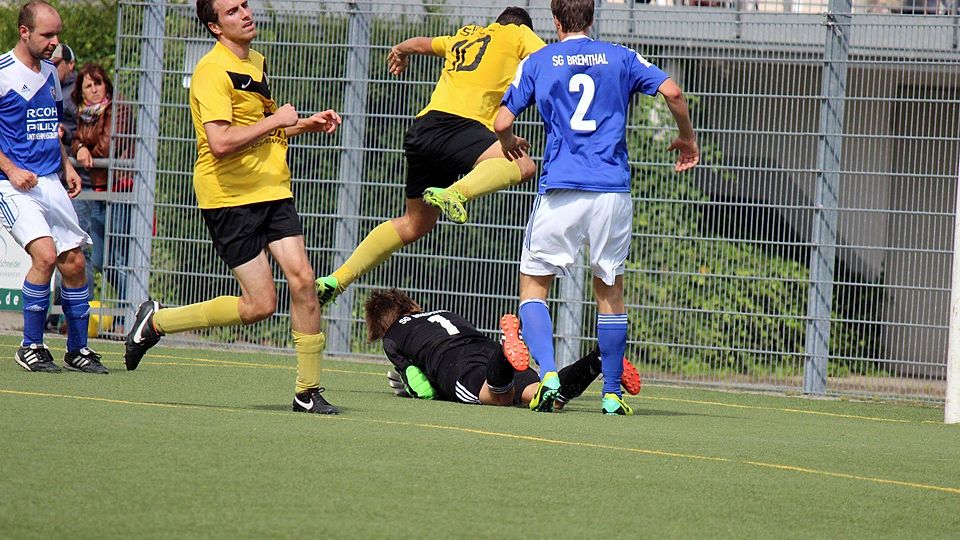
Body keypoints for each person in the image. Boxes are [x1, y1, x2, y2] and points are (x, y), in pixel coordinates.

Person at [123, 0, 343, 414]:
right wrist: (278, 122)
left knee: (304, 280)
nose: (245, 13)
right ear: (214, 27)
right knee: (260, 305)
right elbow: (222, 143)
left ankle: (307, 392)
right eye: (231, 11)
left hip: (273, 190)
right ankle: (157, 322)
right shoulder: (210, 71)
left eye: (245, 5)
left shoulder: (255, 62)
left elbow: (262, 127)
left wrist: (304, 123)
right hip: (229, 199)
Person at [495, 0, 699, 415]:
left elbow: (501, 122)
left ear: (555, 20)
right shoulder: (620, 56)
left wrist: (508, 144)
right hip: (611, 192)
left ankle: (549, 374)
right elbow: (673, 92)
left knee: (534, 286)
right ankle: (610, 394)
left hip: (562, 189)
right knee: (610, 291)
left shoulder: (539, 60)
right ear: (591, 18)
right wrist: (687, 138)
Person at [315, 7, 545, 306]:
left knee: (415, 224)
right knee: (523, 164)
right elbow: (551, 59)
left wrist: (399, 50)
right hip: (461, 126)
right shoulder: (517, 33)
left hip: (424, 129)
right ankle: (456, 194)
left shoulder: (466, 35)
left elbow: (422, 43)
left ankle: (337, 279)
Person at [0, 1, 106, 374]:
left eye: (58, 33)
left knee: (75, 263)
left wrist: (66, 166)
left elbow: (51, 128)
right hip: (13, 185)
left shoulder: (51, 75)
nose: (55, 42)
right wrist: (11, 170)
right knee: (45, 256)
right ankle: (30, 345)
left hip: (50, 181)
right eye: (47, 35)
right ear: (24, 32)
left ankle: (78, 350)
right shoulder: (2, 73)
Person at [365, 289, 641, 408]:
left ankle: (505, 350)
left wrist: (410, 389)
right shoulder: (443, 312)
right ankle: (599, 358)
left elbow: (422, 388)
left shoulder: (393, 336)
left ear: (381, 324)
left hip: (456, 365)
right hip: (478, 346)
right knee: (544, 397)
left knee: (498, 397)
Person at [70, 63, 134, 319]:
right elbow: (76, 139)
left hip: (120, 187)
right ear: (81, 92)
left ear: (106, 84)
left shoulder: (118, 108)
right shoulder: (85, 113)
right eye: (88, 85)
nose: (95, 89)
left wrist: (84, 148)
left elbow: (108, 146)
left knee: (117, 258)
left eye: (98, 83)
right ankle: (129, 308)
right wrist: (79, 148)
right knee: (98, 259)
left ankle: (129, 313)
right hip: (98, 187)